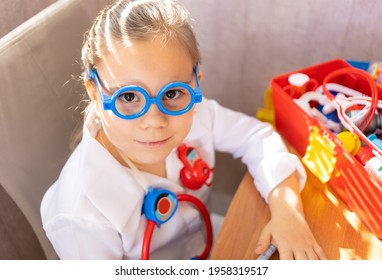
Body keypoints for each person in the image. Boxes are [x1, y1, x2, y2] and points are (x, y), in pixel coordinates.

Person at [40, 0, 326, 260]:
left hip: (211, 242)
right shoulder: (80, 216)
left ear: (195, 81)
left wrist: (288, 211)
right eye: (128, 97)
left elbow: (257, 137)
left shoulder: (193, 111)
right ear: (93, 91)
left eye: (172, 92)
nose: (155, 120)